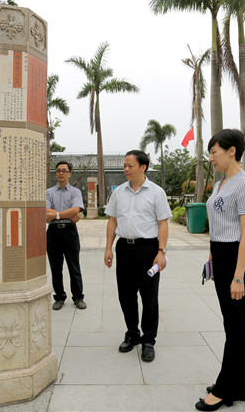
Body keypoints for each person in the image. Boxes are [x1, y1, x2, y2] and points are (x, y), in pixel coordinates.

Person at [196, 129, 245, 412]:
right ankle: (239, 385)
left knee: (234, 325)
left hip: (236, 259)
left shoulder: (244, 184)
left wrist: (238, 276)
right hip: (220, 256)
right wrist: (211, 261)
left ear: (231, 151)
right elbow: (216, 228)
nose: (211, 158)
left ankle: (224, 389)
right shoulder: (221, 184)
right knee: (233, 324)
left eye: (214, 152)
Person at [104, 150, 172, 362]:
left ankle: (148, 340)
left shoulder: (156, 192)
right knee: (125, 295)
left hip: (148, 249)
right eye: (124, 165)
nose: (126, 169)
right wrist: (108, 248)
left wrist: (161, 252)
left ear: (143, 167)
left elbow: (163, 224)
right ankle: (132, 334)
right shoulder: (118, 193)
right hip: (124, 248)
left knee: (149, 296)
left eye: (130, 165)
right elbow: (112, 221)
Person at [46, 161, 86, 311]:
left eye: (64, 170)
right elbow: (45, 213)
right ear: (56, 174)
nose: (61, 173)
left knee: (74, 266)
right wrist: (66, 215)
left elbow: (76, 210)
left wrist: (55, 214)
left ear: (70, 174)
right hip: (53, 232)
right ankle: (59, 297)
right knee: (55, 267)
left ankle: (78, 297)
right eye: (58, 171)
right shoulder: (49, 192)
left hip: (70, 232)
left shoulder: (75, 192)